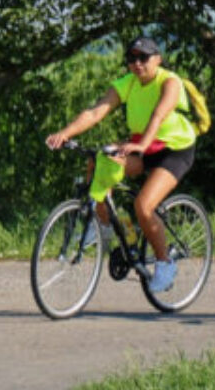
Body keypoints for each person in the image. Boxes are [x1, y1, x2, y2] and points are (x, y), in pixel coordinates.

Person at [45, 36, 198, 292]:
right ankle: (107, 227)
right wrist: (65, 133)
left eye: (143, 58)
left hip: (173, 149)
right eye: (131, 59)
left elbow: (159, 115)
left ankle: (165, 262)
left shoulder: (170, 82)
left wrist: (140, 145)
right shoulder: (127, 83)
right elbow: (95, 112)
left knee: (144, 205)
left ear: (157, 59)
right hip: (142, 144)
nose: (137, 64)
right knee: (98, 162)